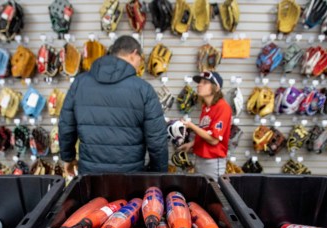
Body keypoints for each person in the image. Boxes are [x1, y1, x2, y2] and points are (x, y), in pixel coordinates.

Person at [59, 35, 169, 175]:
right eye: (140, 60)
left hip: (90, 176)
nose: (139, 65)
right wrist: (158, 174)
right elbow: (157, 140)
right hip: (130, 177)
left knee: (91, 198)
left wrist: (68, 158)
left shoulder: (79, 84)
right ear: (134, 54)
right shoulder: (144, 89)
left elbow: (66, 126)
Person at [177, 71, 232, 181]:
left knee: (213, 194)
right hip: (200, 158)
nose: (199, 85)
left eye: (205, 82)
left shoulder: (223, 107)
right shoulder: (206, 107)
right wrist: (192, 144)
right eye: (199, 82)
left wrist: (191, 126)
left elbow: (214, 140)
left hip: (212, 161)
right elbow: (206, 133)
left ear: (215, 88)